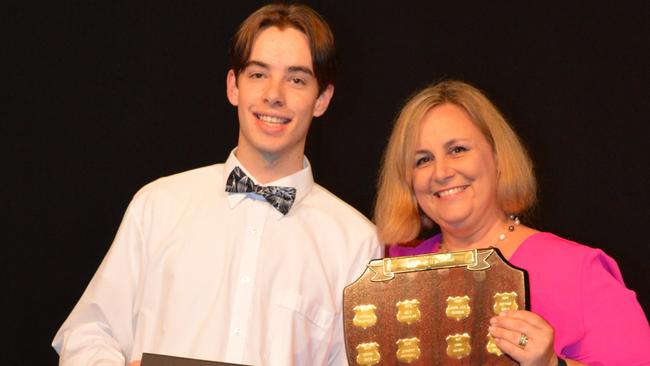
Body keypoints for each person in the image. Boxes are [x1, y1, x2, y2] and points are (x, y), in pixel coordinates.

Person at [53, 4, 382, 365]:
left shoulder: (356, 243)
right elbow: (88, 333)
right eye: (258, 74)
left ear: (322, 100)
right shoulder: (158, 205)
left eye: (296, 79)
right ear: (233, 87)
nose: (274, 94)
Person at [374, 80, 650, 365]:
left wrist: (553, 365)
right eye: (423, 160)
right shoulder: (393, 273)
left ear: (497, 157)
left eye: (457, 150)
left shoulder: (576, 270)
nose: (441, 172)